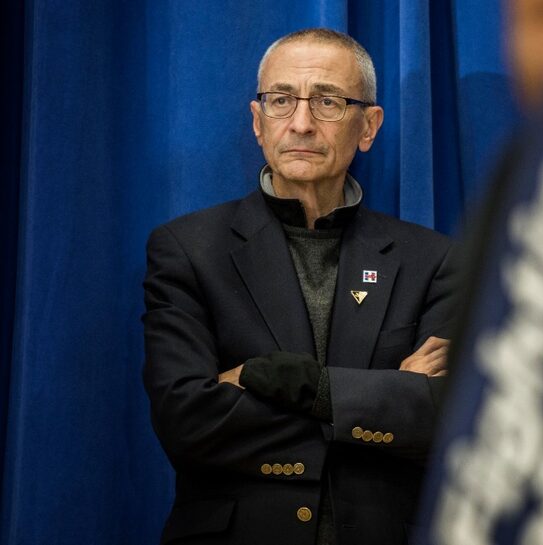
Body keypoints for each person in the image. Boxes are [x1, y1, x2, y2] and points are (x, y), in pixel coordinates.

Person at [142, 28, 455, 545]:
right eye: (282, 100)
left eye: (328, 101)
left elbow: (443, 422)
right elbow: (186, 423)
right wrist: (383, 398)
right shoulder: (187, 249)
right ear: (257, 122)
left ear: (369, 126)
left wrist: (295, 386)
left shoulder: (435, 259)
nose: (302, 123)